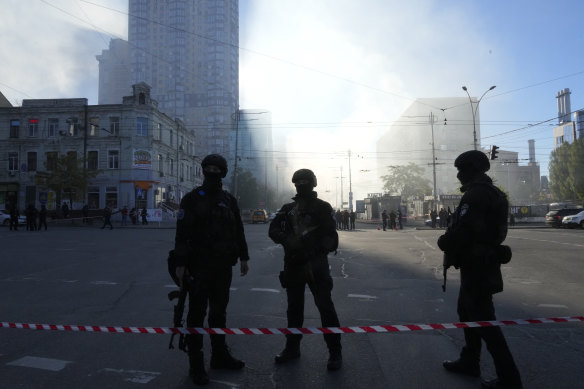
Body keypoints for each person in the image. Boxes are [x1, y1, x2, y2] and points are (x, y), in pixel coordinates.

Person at [437, 150, 522, 389]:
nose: (459, 175)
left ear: (473, 169)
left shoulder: (475, 195)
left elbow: (467, 231)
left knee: (484, 322)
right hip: (483, 262)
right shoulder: (494, 193)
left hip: (477, 264)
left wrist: (446, 241)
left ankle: (509, 379)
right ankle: (469, 360)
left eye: (462, 170)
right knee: (467, 313)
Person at [173, 154, 250, 385]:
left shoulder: (229, 199)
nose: (213, 171)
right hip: (199, 267)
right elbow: (182, 234)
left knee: (219, 313)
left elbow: (238, 230)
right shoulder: (192, 199)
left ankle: (219, 356)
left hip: (223, 266)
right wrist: (180, 264)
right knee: (196, 315)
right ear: (203, 170)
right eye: (209, 167)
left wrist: (244, 257)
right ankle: (196, 364)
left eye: (217, 168)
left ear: (223, 172)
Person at [269, 168, 342, 371]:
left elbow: (331, 239)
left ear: (313, 183)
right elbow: (273, 229)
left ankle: (335, 352)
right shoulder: (288, 209)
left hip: (316, 266)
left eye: (305, 181)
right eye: (298, 181)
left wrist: (312, 251)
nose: (301, 184)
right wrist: (287, 240)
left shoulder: (323, 208)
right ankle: (292, 348)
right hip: (293, 266)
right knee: (294, 310)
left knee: (326, 309)